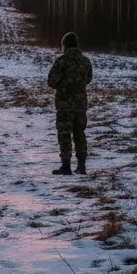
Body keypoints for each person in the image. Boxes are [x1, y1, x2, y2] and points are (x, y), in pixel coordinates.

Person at [46, 32, 92, 175]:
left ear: (64, 45)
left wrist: (63, 84)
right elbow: (88, 78)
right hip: (80, 104)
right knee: (79, 134)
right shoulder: (85, 61)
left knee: (64, 135)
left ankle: (66, 166)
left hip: (64, 105)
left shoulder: (61, 61)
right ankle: (82, 166)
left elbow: (51, 82)